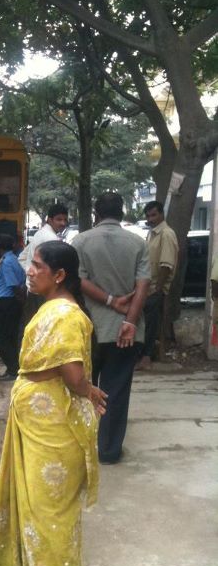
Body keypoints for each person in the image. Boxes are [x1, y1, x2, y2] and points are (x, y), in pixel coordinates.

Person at [0, 240, 107, 566]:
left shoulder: (66, 315)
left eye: (37, 266)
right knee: (37, 503)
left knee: (52, 508)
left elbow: (71, 374)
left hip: (54, 427)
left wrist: (88, 390)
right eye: (31, 265)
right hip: (38, 422)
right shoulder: (52, 307)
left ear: (60, 275)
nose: (30, 271)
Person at [72, 191, 150, 464]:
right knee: (115, 391)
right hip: (125, 333)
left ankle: (83, 446)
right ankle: (108, 451)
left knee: (84, 388)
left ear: (96, 213)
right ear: (122, 213)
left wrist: (108, 300)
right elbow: (143, 286)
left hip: (89, 330)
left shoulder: (80, 242)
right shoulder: (138, 243)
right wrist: (129, 320)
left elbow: (77, 280)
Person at [136, 201, 178, 370]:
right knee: (145, 323)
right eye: (148, 216)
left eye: (154, 215)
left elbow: (166, 265)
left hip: (156, 288)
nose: (150, 219)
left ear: (161, 214)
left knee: (151, 324)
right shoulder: (152, 234)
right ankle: (144, 355)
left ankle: (146, 357)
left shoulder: (166, 234)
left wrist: (157, 289)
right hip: (147, 287)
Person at [18, 203, 69, 325]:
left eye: (65, 220)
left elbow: (21, 257)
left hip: (33, 289)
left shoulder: (39, 234)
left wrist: (31, 274)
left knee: (30, 326)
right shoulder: (51, 239)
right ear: (49, 220)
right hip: (43, 293)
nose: (63, 223)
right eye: (59, 219)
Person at [0, 233, 26, 381]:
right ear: (13, 245)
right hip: (12, 302)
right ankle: (15, 367)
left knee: (3, 338)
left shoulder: (6, 262)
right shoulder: (14, 259)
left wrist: (20, 298)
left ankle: (13, 370)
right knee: (12, 336)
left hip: (7, 302)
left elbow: (12, 284)